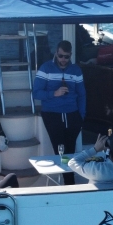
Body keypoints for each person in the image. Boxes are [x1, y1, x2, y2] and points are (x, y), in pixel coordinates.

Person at [33, 39, 86, 184]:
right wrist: (53, 94)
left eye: (66, 57)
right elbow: (36, 93)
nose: (63, 59)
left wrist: (81, 116)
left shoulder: (76, 70)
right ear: (56, 53)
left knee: (70, 151)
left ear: (71, 55)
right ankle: (69, 184)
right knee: (60, 150)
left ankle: (69, 184)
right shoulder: (46, 68)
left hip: (73, 114)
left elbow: (82, 95)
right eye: (60, 56)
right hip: (52, 114)